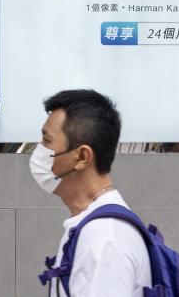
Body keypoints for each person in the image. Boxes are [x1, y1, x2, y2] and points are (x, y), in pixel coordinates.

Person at [31, 89, 151, 297]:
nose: (39, 151)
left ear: (82, 157)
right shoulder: (92, 226)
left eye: (47, 141)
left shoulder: (104, 240)